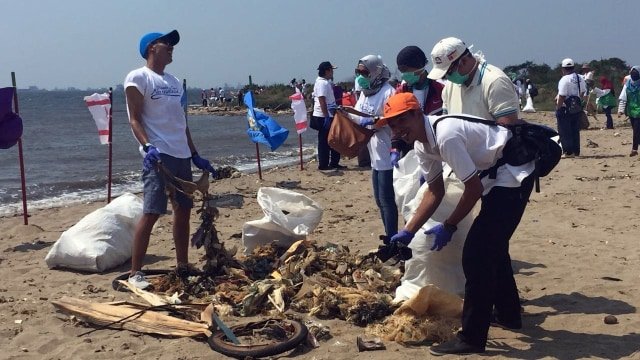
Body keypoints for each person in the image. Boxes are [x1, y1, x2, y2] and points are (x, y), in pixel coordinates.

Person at [378, 93, 536, 355]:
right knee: (493, 247)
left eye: (401, 120)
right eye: (392, 125)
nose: (397, 129)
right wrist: (408, 231)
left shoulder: (446, 135)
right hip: (495, 177)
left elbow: (471, 189)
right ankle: (509, 314)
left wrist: (449, 225)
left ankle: (471, 339)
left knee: (476, 255)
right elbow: (435, 191)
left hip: (514, 174)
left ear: (418, 113)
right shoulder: (422, 146)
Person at [124, 30, 217, 289]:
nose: (172, 48)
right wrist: (147, 146)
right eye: (168, 44)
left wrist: (195, 154)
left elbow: (181, 122)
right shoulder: (138, 77)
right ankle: (135, 273)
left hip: (181, 154)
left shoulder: (175, 82)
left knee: (183, 210)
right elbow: (134, 118)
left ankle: (182, 264)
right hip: (158, 155)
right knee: (152, 211)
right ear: (152, 48)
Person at [349, 55, 397, 239]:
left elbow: (392, 118)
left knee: (387, 200)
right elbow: (358, 114)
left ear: (375, 72)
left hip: (387, 152)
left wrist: (375, 121)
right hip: (374, 154)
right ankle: (388, 234)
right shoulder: (365, 93)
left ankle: (392, 237)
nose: (361, 76)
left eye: (364, 72)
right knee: (378, 199)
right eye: (358, 72)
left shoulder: (388, 92)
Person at [426, 37, 521, 126]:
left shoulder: (495, 82)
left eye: (449, 72)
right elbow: (447, 124)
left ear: (463, 61)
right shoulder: (449, 87)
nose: (447, 77)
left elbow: (508, 130)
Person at [395, 45, 444, 157]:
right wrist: (395, 146)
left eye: (406, 70)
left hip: (437, 147)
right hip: (409, 148)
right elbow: (395, 120)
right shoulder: (401, 91)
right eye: (401, 70)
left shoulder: (439, 89)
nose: (403, 74)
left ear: (419, 66)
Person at [312, 61, 343, 170]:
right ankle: (324, 165)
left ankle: (333, 162)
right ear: (327, 71)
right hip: (323, 115)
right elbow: (321, 100)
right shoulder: (322, 83)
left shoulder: (324, 82)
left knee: (332, 138)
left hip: (327, 114)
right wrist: (326, 116)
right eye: (331, 70)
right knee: (325, 141)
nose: (332, 72)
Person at [556, 58, 587, 158]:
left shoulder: (564, 79)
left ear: (563, 69)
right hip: (576, 108)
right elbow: (582, 92)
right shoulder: (579, 78)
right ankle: (576, 151)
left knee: (564, 130)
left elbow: (562, 95)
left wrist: (558, 107)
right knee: (575, 129)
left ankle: (568, 152)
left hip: (565, 108)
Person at [617, 66, 640, 156]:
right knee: (636, 129)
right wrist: (620, 110)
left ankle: (634, 149)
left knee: (636, 131)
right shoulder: (628, 84)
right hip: (631, 111)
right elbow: (623, 98)